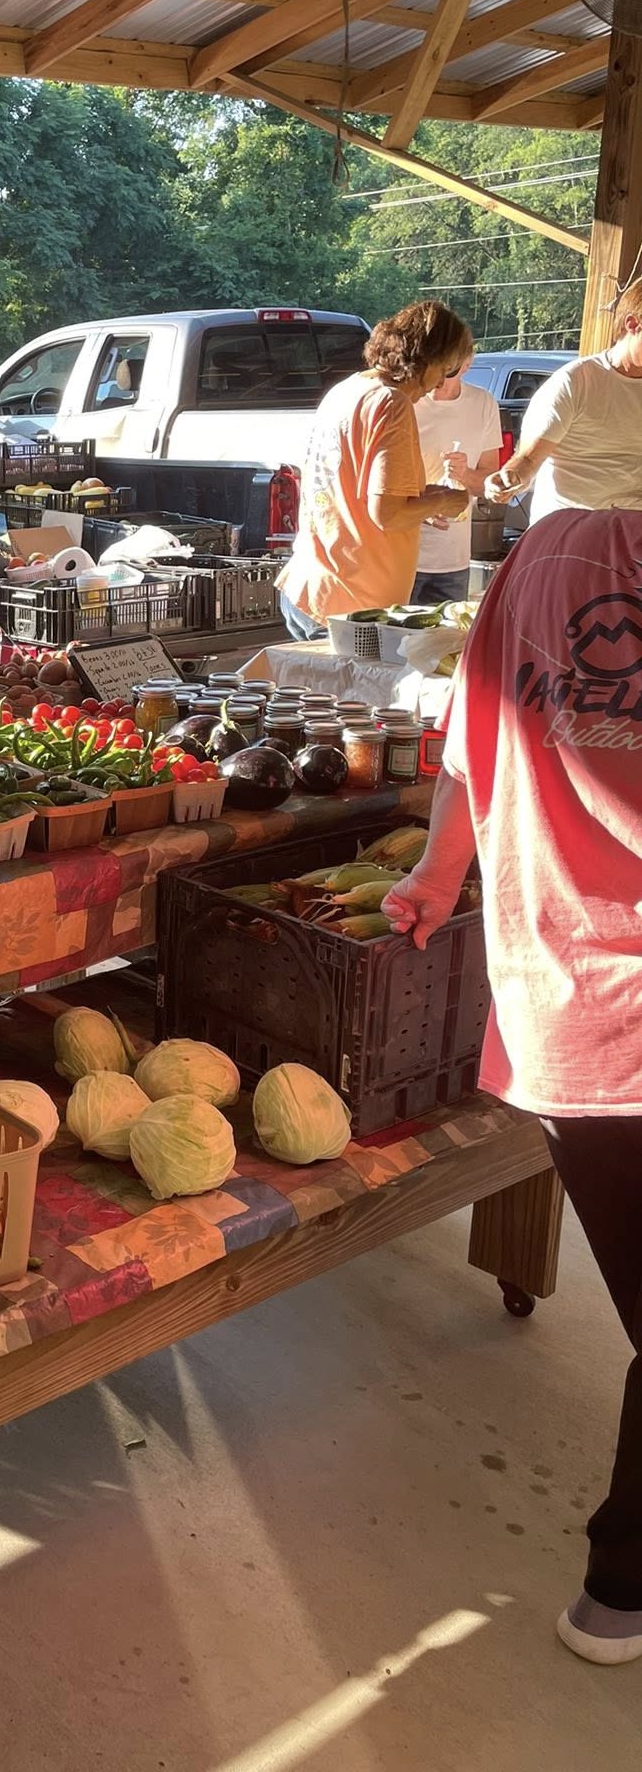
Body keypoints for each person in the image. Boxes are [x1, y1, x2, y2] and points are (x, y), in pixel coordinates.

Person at [383, 506, 642, 1666]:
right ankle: (622, 1582)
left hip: (563, 1006)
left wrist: (439, 873)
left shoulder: (544, 548)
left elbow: (469, 739)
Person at [279, 301, 476, 640]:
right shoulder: (391, 403)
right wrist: (445, 501)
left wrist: (425, 501)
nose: (439, 384)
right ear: (427, 358)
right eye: (446, 369)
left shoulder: (347, 390)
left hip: (312, 586)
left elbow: (355, 491)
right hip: (351, 607)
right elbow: (388, 514)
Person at [487, 280, 642, 519]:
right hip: (569, 526)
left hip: (631, 531)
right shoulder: (575, 381)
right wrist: (510, 477)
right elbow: (528, 459)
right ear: (632, 324)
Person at [410, 357, 502, 606]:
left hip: (454, 562)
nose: (440, 377)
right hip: (404, 558)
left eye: (450, 368)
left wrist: (464, 474)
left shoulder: (483, 403)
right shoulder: (408, 401)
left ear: (467, 363)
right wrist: (422, 508)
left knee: (451, 631)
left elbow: (487, 484)